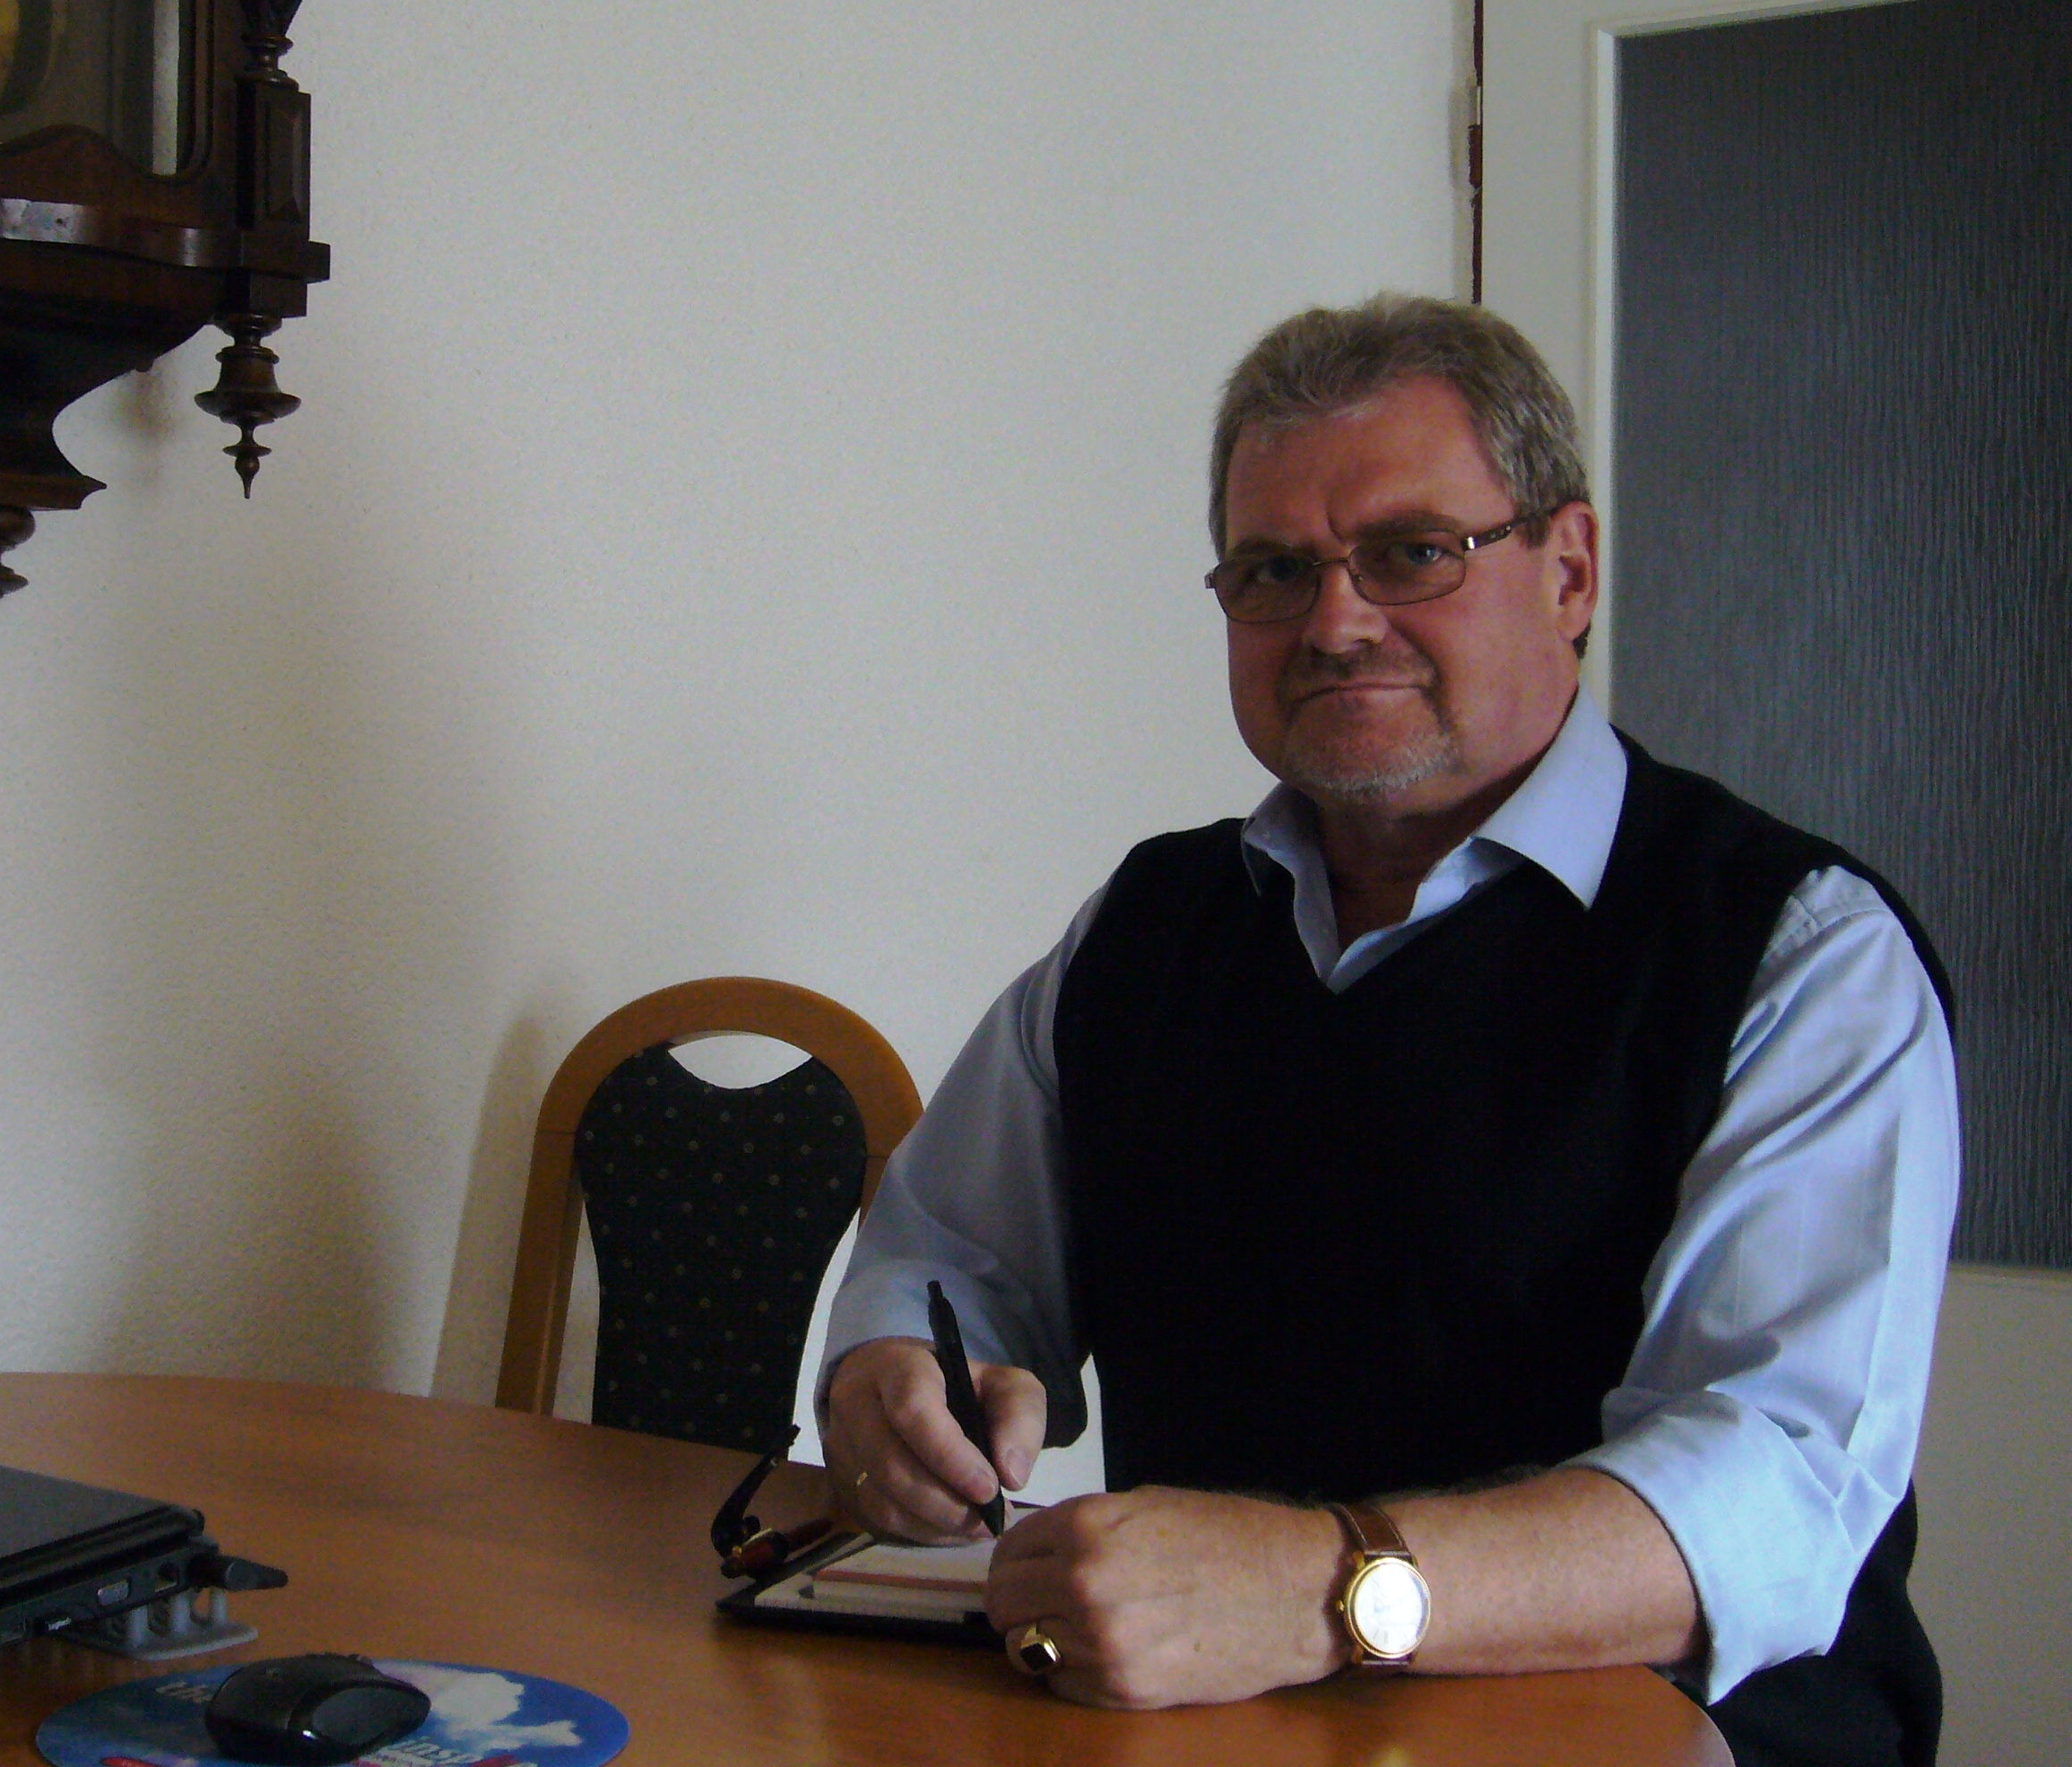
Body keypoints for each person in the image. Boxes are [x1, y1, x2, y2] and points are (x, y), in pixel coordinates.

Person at [816, 294, 1957, 1767]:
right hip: (1211, 1737)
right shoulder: (1148, 927)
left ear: (1569, 571)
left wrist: (1326, 1590)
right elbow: (946, 1256)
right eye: (1274, 572)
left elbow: (1777, 1485)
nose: (1336, 622)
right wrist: (892, 1384)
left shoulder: (1798, 952)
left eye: (1413, 553)